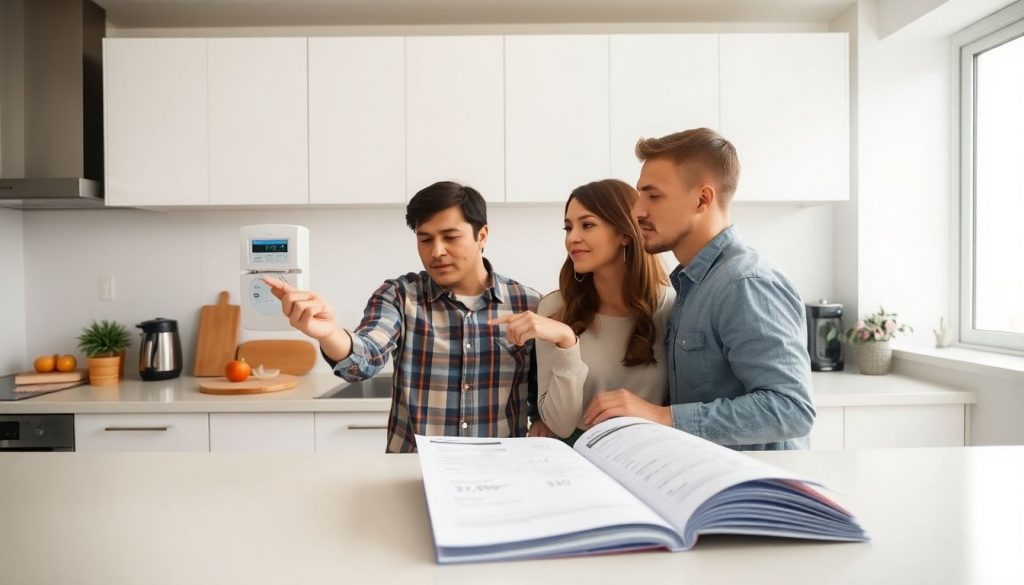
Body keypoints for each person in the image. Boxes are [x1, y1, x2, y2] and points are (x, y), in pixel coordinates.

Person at [264, 181, 541, 453]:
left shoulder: (527, 304)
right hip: (413, 471)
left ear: (482, 236)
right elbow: (366, 357)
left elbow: (542, 395)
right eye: (425, 239)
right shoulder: (400, 295)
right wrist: (329, 333)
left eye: (450, 237)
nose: (436, 251)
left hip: (500, 469)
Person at [582, 128, 815, 450]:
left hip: (748, 488)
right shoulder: (693, 284)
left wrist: (662, 416)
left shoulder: (745, 284)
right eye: (639, 195)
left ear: (703, 199)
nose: (637, 211)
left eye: (654, 195)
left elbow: (791, 411)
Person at [491, 179, 674, 443]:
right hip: (576, 452)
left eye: (587, 225)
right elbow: (561, 425)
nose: (571, 238)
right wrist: (567, 342)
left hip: (650, 451)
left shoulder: (669, 307)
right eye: (568, 227)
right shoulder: (554, 309)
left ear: (625, 233)